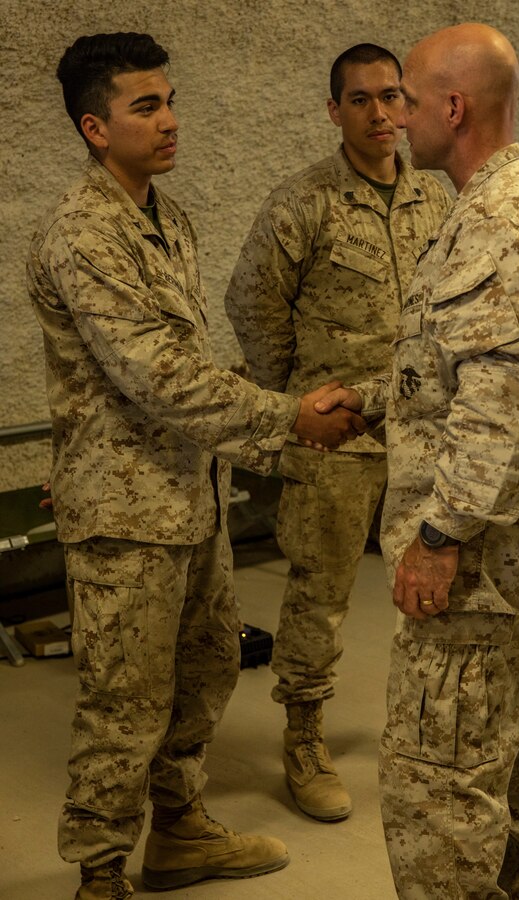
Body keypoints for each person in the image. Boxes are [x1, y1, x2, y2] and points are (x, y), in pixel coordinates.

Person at [26, 32, 365, 900]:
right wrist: (288, 418)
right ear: (96, 127)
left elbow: (188, 365)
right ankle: (100, 875)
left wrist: (278, 412)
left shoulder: (165, 217)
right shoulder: (82, 232)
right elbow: (157, 375)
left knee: (206, 669)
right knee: (124, 702)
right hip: (125, 515)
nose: (171, 120)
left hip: (189, 494)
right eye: (146, 107)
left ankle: (178, 832)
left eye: (170, 101)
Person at [315, 23, 519, 899]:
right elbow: (461, 370)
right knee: (511, 747)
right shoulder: (492, 206)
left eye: (407, 99)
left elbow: (505, 408)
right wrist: (372, 399)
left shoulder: (498, 226)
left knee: (439, 785)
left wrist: (439, 536)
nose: (395, 117)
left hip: (477, 576)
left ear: (454, 108)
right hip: (512, 571)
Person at [224, 43, 451, 822]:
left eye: (391, 96)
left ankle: (425, 726)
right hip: (337, 440)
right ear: (334, 110)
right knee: (319, 594)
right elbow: (251, 302)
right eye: (360, 99)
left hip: (421, 433)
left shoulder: (434, 199)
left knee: (433, 585)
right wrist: (297, 404)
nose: (379, 113)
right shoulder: (304, 202)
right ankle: (303, 737)